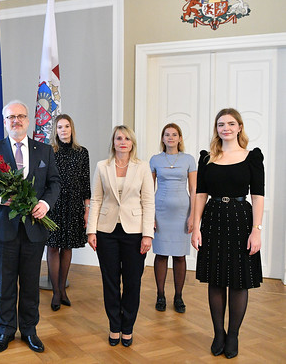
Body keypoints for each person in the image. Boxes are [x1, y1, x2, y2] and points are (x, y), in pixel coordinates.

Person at [0, 100, 60, 354]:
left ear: (28, 120)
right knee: (7, 284)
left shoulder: (44, 151)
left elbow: (54, 183)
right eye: (11, 117)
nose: (16, 120)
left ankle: (30, 330)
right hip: (4, 230)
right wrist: (2, 198)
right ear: (5, 122)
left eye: (21, 116)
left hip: (35, 230)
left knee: (31, 284)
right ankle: (6, 330)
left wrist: (45, 203)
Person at [191, 108, 264, 359]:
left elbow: (258, 196)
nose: (226, 128)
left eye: (231, 124)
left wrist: (257, 230)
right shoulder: (207, 158)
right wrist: (196, 225)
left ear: (239, 127)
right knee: (216, 279)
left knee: (239, 279)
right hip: (213, 219)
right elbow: (200, 194)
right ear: (217, 128)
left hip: (241, 219)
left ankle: (233, 334)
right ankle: (218, 333)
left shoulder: (251, 157)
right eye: (221, 124)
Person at [87, 125, 154, 348]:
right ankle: (114, 326)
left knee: (132, 282)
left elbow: (148, 202)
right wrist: (91, 230)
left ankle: (128, 328)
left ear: (132, 143)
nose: (123, 142)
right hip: (106, 232)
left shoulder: (142, 167)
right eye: (118, 138)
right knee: (111, 282)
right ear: (113, 142)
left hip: (135, 233)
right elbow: (96, 200)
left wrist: (148, 235)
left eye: (127, 138)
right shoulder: (102, 167)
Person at [149, 123, 196, 313]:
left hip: (182, 212)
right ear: (162, 138)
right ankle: (160, 295)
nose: (170, 138)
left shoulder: (189, 159)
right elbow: (147, 190)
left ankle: (178, 296)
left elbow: (194, 189)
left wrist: (193, 215)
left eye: (174, 134)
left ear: (180, 138)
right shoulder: (154, 159)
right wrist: (149, 216)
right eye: (167, 134)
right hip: (160, 211)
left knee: (179, 256)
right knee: (160, 254)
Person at [46, 114, 90, 311]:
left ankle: (63, 289)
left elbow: (85, 183)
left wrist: (87, 210)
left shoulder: (82, 153)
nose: (63, 130)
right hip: (53, 205)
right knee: (53, 247)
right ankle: (55, 291)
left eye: (66, 126)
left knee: (67, 247)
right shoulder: (49, 152)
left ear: (72, 129)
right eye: (60, 127)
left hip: (74, 205)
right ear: (55, 131)